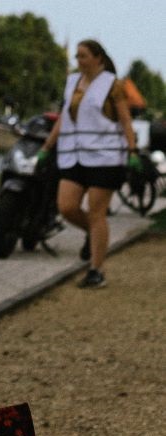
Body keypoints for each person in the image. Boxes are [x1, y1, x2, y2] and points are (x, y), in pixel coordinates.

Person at [39, 39, 140, 289]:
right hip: (73, 155)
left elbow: (125, 121)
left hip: (106, 158)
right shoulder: (72, 82)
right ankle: (95, 236)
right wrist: (46, 147)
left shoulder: (112, 85)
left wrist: (133, 150)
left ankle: (96, 270)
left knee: (97, 213)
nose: (78, 60)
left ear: (98, 58)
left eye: (83, 56)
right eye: (77, 56)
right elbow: (64, 118)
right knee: (67, 207)